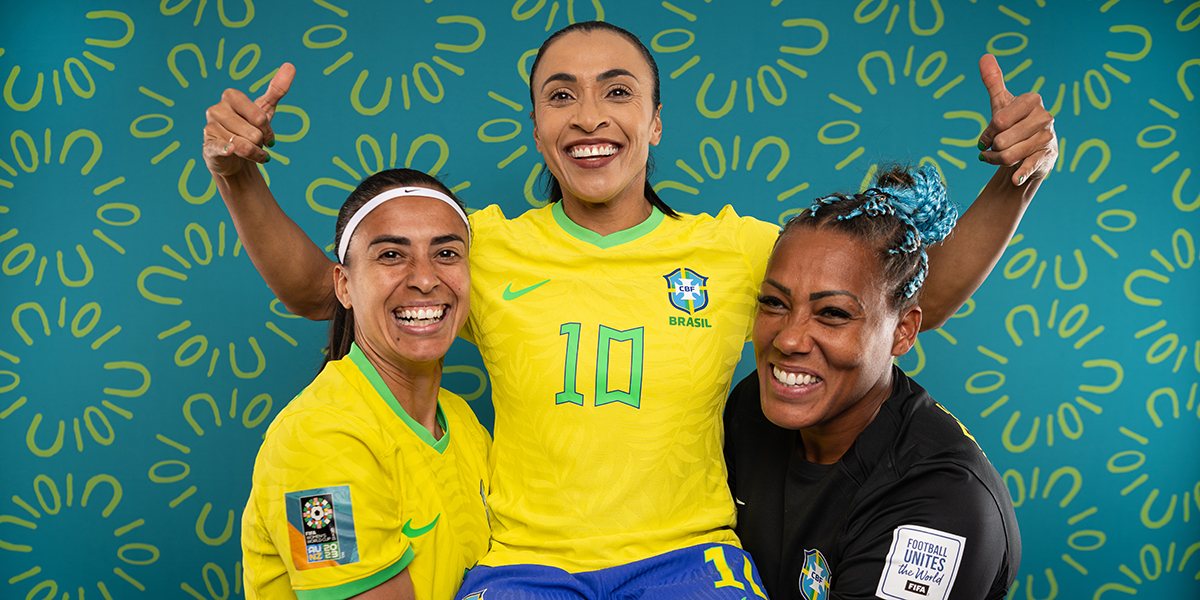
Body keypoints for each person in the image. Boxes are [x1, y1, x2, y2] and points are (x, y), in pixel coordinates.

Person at [204, 21, 1054, 599]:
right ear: (537, 124)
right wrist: (238, 176)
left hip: (689, 560)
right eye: (560, 95)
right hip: (525, 567)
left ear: (654, 123)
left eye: (617, 92)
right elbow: (324, 291)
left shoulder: (733, 251)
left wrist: (1015, 181)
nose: (589, 115)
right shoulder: (479, 247)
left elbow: (914, 297)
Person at [724, 165, 1020, 600]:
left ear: (903, 332)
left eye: (833, 314)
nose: (787, 339)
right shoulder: (755, 407)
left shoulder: (941, 498)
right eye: (774, 303)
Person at [241, 169, 492, 600]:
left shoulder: (465, 424)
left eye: (447, 253)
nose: (426, 279)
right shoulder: (315, 441)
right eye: (392, 255)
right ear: (344, 285)